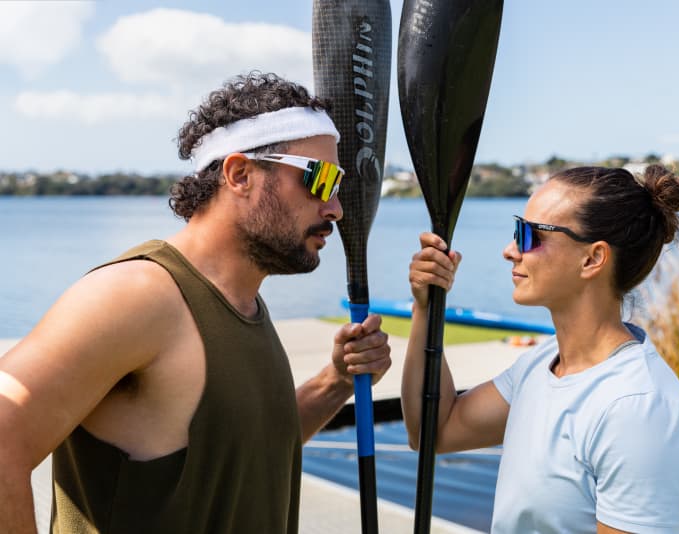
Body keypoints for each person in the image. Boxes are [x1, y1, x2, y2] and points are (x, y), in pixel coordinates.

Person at [0, 72, 391, 534]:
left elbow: (242, 453)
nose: (336, 209)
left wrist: (335, 382)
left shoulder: (243, 306)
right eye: (320, 179)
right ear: (240, 174)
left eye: (339, 184)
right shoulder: (139, 294)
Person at [402, 165, 679, 533]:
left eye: (529, 235)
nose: (510, 250)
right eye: (517, 229)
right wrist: (426, 306)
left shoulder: (640, 409)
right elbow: (433, 431)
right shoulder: (542, 364)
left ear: (593, 258)